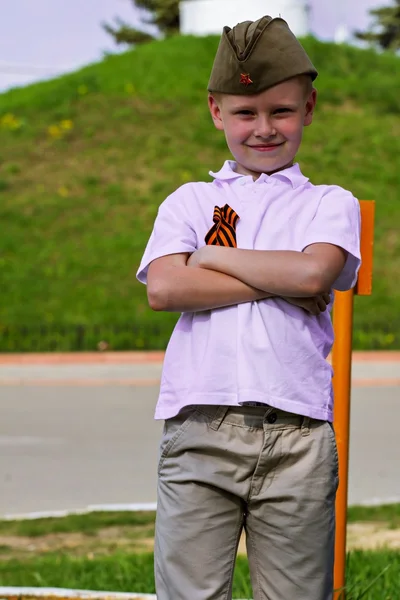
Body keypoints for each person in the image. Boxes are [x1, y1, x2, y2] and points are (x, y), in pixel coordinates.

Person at [136, 15, 361, 600]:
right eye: (244, 113)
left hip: (298, 437)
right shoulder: (190, 201)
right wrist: (279, 276)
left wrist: (208, 259)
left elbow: (316, 272)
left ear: (308, 108)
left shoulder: (329, 204)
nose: (264, 129)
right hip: (199, 428)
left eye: (281, 111)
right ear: (216, 111)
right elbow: (164, 289)